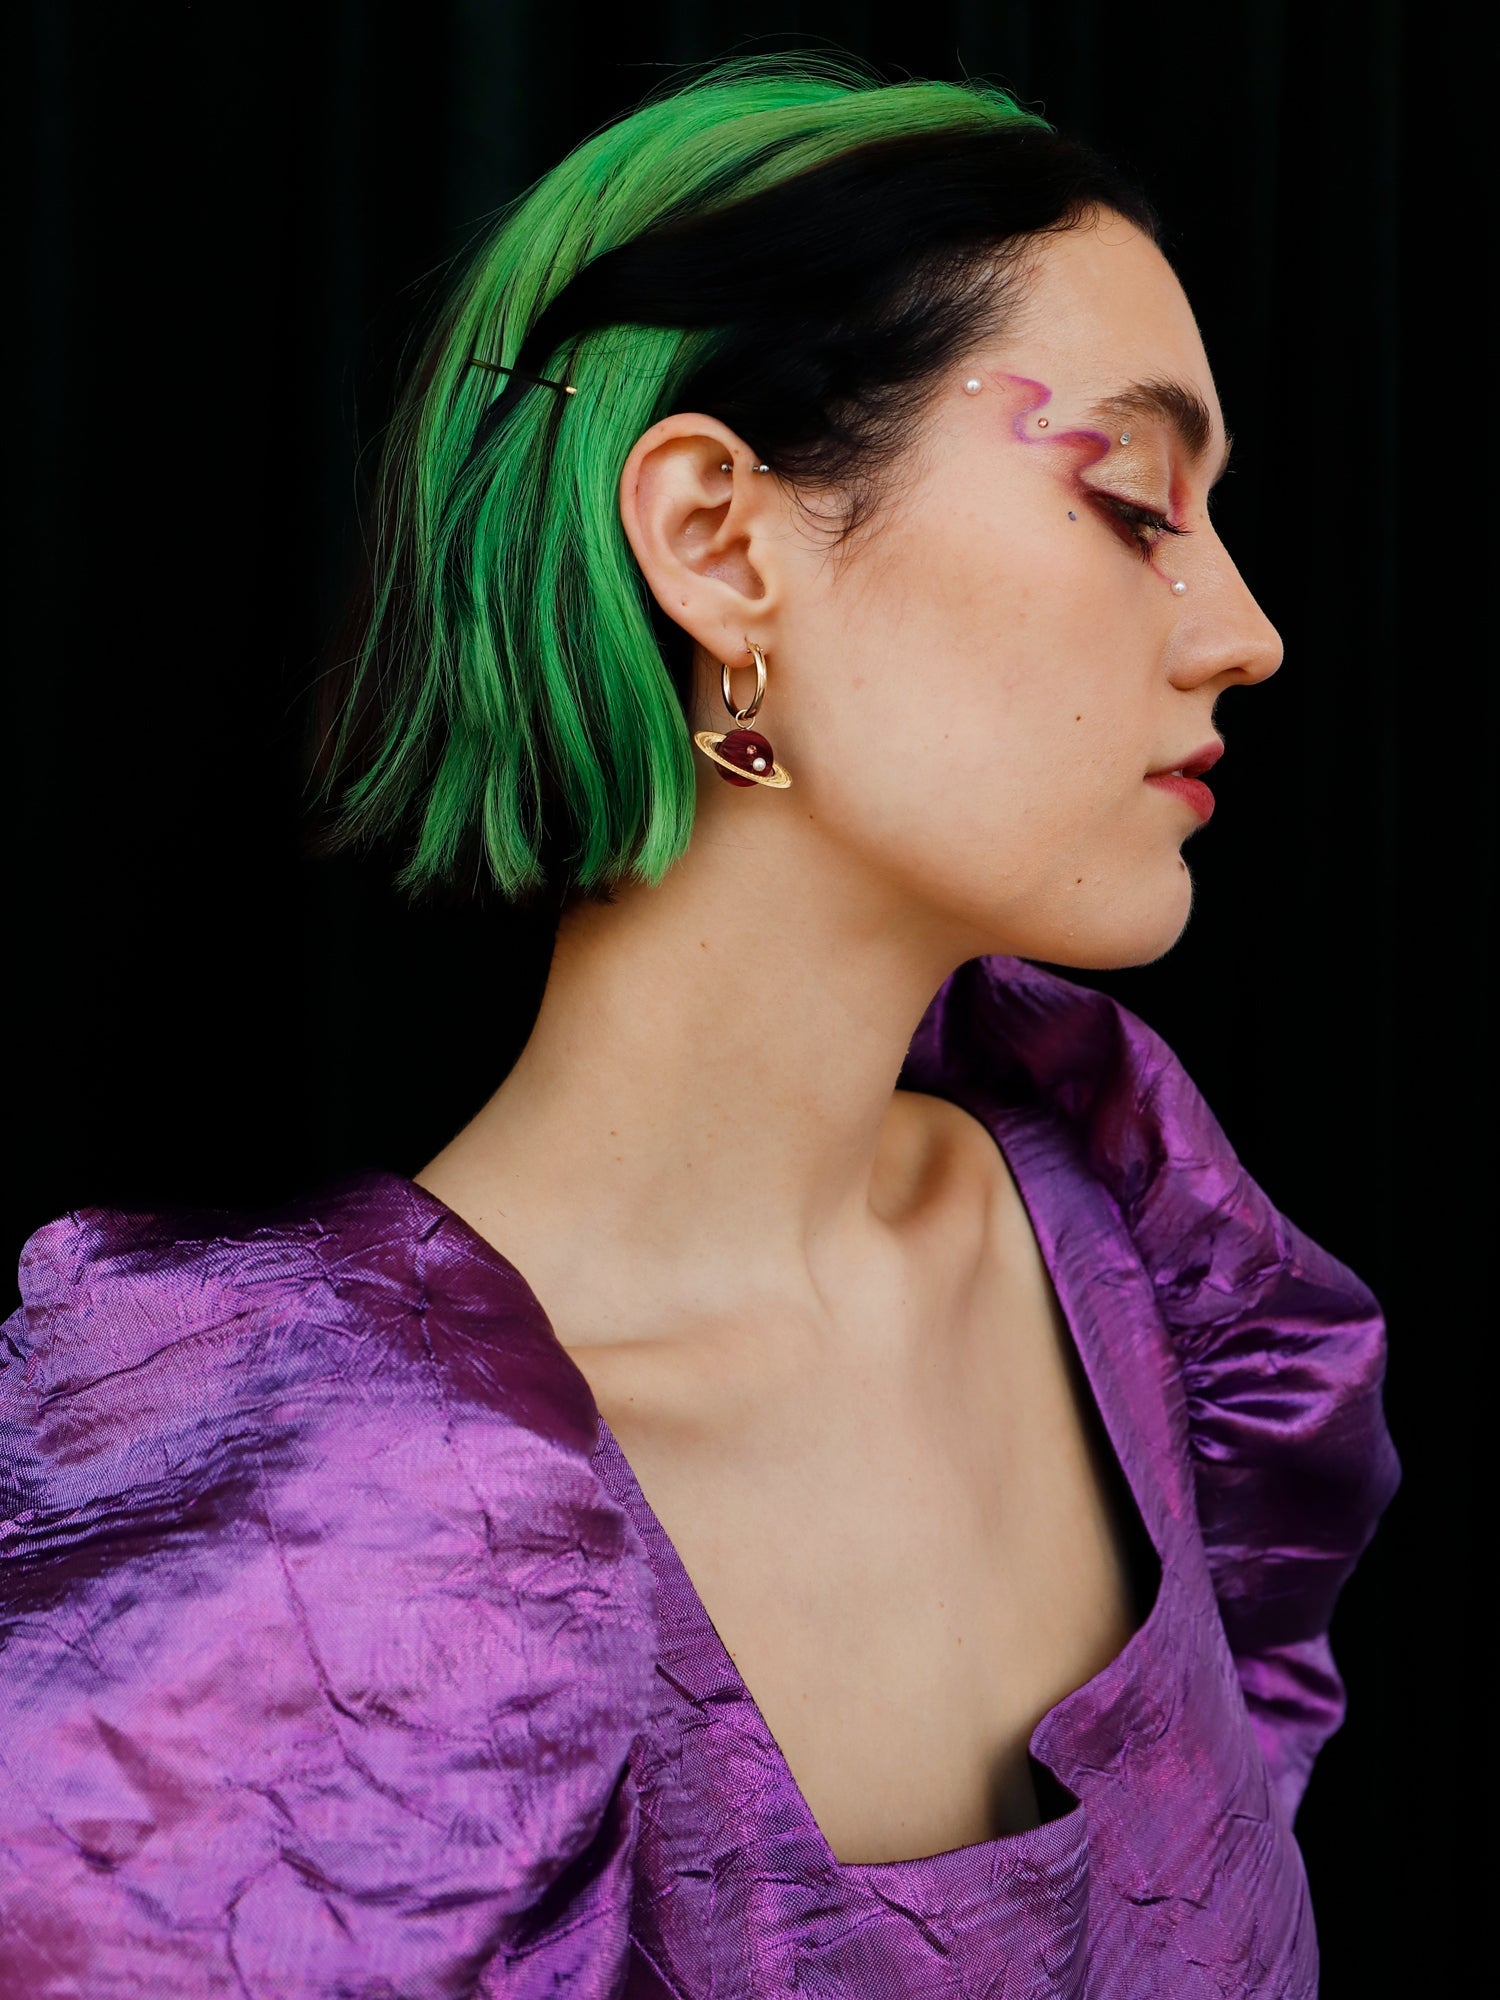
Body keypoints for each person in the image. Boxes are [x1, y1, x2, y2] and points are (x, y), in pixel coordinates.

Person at [0, 56, 1399, 1998]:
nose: (1244, 627)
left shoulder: (1129, 1251)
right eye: (1131, 500)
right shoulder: (333, 1540)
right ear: (722, 546)